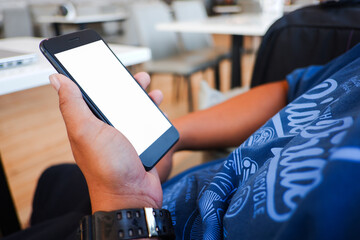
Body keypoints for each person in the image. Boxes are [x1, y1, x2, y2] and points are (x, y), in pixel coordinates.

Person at [5, 43, 360, 239]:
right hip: (164, 194)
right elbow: (292, 91)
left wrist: (123, 200)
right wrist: (171, 136)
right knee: (57, 178)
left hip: (135, 223)